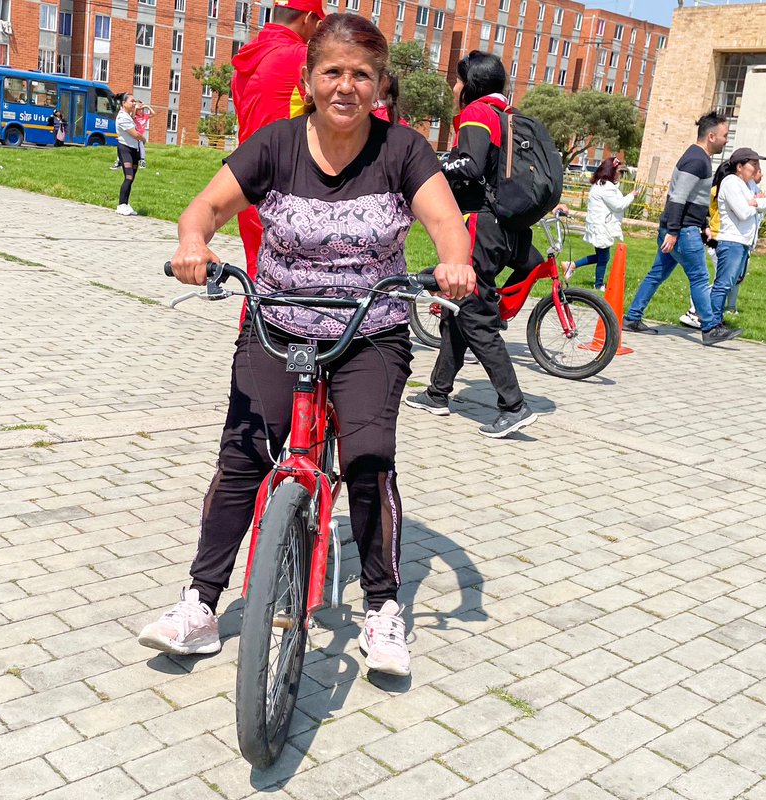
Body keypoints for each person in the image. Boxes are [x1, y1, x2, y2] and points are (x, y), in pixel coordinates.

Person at [138, 14, 475, 677]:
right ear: (309, 79)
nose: (345, 86)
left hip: (368, 332)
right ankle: (201, 605)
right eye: (333, 71)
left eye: (361, 74)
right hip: (277, 323)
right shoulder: (276, 144)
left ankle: (382, 609)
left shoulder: (403, 150)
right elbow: (202, 209)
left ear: (379, 85)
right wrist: (192, 245)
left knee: (370, 458)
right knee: (243, 456)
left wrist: (455, 263)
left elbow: (444, 223)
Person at [405, 51, 538, 439]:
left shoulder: (479, 112)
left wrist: (428, 164)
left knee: (473, 315)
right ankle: (437, 392)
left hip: (481, 225)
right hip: (509, 228)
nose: (455, 87)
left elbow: (471, 166)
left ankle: (513, 405)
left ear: (472, 84)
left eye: (458, 80)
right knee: (457, 309)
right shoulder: (509, 113)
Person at [622, 111, 743, 346]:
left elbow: (692, 199)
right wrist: (674, 231)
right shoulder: (697, 160)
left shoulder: (697, 157)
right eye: (725, 136)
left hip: (680, 228)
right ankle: (710, 328)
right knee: (699, 277)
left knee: (657, 273)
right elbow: (678, 197)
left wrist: (703, 225)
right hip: (682, 231)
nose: (726, 140)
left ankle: (632, 317)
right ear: (711, 136)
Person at [230, 0, 324, 279]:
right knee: (287, 286)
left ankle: (249, 324)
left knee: (256, 276)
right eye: (320, 24)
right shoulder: (302, 58)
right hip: (285, 187)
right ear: (308, 18)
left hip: (244, 181)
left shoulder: (247, 58)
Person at [710, 148, 766, 324]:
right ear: (740, 166)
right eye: (753, 163)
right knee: (723, 285)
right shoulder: (731, 183)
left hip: (743, 242)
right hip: (731, 241)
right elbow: (743, 212)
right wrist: (756, 204)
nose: (757, 168)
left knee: (730, 283)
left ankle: (714, 321)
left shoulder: (749, 185)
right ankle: (712, 323)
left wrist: (756, 202)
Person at [562, 157, 634, 291]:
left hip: (597, 225)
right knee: (604, 257)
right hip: (601, 226)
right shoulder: (606, 187)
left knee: (602, 256)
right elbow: (618, 205)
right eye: (619, 171)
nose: (620, 175)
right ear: (611, 171)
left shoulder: (601, 184)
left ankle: (572, 266)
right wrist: (632, 195)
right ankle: (598, 284)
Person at [114, 93, 144, 216]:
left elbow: (132, 116)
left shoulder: (128, 116)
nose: (134, 103)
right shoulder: (122, 117)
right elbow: (134, 134)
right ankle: (121, 205)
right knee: (128, 177)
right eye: (131, 101)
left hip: (134, 149)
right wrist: (143, 139)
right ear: (123, 103)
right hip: (125, 148)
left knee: (132, 179)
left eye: (134, 101)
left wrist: (137, 108)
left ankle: (126, 203)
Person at [133, 100, 154, 168]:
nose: (141, 111)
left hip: (140, 136)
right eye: (140, 110)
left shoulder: (145, 116)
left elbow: (154, 114)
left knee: (141, 145)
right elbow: (132, 116)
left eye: (142, 109)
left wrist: (147, 107)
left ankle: (142, 161)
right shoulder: (135, 116)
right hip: (134, 135)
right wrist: (136, 108)